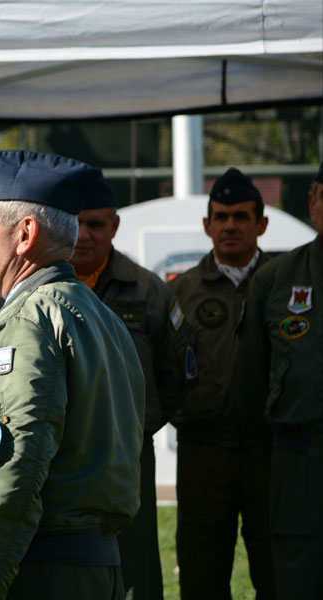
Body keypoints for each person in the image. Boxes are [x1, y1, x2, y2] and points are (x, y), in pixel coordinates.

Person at [0, 150, 145, 599]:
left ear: (25, 235)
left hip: (40, 571)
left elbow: (4, 482)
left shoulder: (29, 322)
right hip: (96, 567)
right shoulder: (100, 315)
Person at [71, 176, 194, 599]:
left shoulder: (149, 291)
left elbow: (177, 374)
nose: (84, 235)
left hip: (128, 454)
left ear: (116, 226)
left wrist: (139, 426)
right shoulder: (38, 286)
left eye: (97, 225)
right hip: (58, 452)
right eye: (76, 223)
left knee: (135, 561)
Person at [168, 167, 275, 598]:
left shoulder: (284, 284)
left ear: (260, 224)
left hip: (270, 453)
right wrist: (181, 414)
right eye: (222, 216)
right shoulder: (181, 292)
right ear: (207, 224)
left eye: (242, 216)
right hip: (203, 454)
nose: (231, 225)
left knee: (280, 570)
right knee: (201, 573)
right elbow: (164, 367)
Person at [236, 160, 323, 598]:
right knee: (298, 582)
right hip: (298, 468)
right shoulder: (275, 281)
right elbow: (250, 383)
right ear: (313, 203)